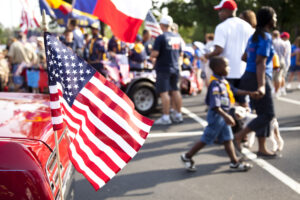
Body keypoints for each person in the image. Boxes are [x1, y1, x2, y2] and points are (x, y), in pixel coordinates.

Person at [180, 56, 254, 172]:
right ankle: (187, 156)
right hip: (217, 116)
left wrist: (249, 93)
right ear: (217, 68)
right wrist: (227, 116)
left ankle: (234, 162)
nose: (229, 68)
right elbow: (215, 105)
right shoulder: (215, 84)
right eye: (226, 66)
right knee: (207, 138)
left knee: (227, 138)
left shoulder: (223, 81)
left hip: (223, 115)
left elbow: (234, 91)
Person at [235, 6, 278, 157]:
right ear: (269, 20)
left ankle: (262, 147)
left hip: (248, 76)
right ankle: (239, 136)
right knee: (268, 114)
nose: (276, 19)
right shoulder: (265, 38)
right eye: (274, 17)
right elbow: (260, 62)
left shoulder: (254, 37)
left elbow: (244, 57)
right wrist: (261, 86)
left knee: (261, 113)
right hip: (259, 78)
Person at [204, 0, 254, 106]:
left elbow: (218, 50)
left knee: (226, 103)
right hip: (244, 70)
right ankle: (244, 122)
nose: (219, 13)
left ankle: (231, 122)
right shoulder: (247, 26)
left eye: (220, 10)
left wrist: (207, 55)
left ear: (227, 11)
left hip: (226, 71)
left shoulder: (222, 27)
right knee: (243, 102)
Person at [150, 15, 183, 125]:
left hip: (164, 68)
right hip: (175, 67)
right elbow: (181, 54)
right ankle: (178, 114)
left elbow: (155, 53)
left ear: (161, 25)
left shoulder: (161, 37)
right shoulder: (177, 36)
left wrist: (151, 54)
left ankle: (166, 117)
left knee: (164, 93)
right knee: (175, 91)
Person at [272, 30, 289, 97]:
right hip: (282, 61)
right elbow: (285, 53)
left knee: (276, 76)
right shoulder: (283, 42)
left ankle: (276, 90)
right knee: (280, 75)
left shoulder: (273, 42)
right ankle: (278, 91)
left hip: (275, 62)